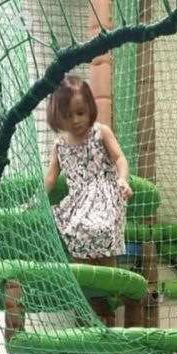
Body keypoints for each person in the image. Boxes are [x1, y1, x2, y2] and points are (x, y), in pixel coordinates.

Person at [44, 76, 132, 261]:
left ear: (90, 108)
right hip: (78, 201)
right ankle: (83, 275)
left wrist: (122, 178)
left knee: (102, 229)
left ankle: (109, 273)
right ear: (57, 116)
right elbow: (50, 178)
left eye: (80, 113)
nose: (75, 120)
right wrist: (37, 199)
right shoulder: (60, 145)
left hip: (105, 197)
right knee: (76, 230)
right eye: (67, 116)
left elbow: (120, 158)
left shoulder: (100, 132)